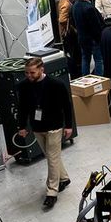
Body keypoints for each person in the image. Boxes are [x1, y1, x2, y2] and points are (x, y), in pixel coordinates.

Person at [15, 58, 73, 209]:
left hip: (54, 126)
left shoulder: (56, 85)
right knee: (51, 156)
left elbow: (67, 106)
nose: (29, 75)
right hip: (37, 127)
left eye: (32, 72)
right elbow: (22, 108)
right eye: (26, 73)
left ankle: (51, 192)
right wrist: (22, 126)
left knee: (51, 158)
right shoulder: (23, 86)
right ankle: (64, 178)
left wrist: (69, 126)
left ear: (42, 69)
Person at [71, 0, 104, 76]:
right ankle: (99, 79)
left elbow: (73, 22)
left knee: (85, 58)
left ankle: (85, 77)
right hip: (93, 39)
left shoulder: (75, 6)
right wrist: (99, 38)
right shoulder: (89, 8)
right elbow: (96, 26)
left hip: (82, 37)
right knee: (99, 59)